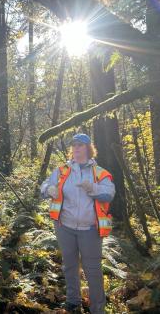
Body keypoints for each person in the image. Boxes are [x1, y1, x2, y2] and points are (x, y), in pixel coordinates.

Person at [41, 133, 115, 314]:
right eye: (74, 146)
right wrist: (48, 189)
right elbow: (44, 186)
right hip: (64, 227)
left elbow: (109, 194)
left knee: (93, 271)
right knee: (70, 265)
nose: (76, 149)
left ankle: (98, 309)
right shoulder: (62, 170)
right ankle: (73, 302)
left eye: (80, 146)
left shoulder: (100, 173)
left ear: (89, 149)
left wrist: (93, 188)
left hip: (89, 229)